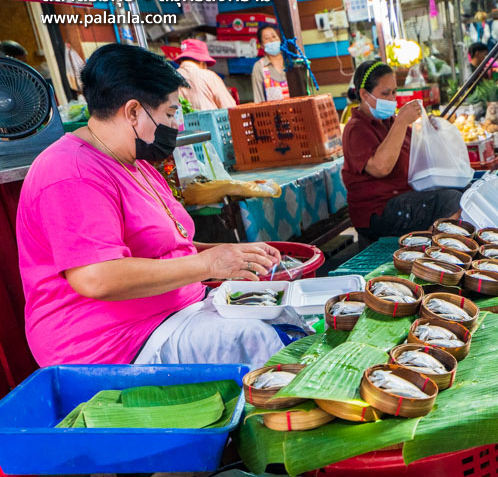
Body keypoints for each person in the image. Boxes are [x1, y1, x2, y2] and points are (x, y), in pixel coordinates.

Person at [16, 44, 294, 367]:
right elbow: (97, 277)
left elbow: (171, 246)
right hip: (114, 344)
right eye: (171, 114)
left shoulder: (135, 163)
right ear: (133, 112)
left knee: (284, 318)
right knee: (257, 338)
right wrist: (209, 266)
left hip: (173, 315)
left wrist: (232, 257)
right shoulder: (69, 172)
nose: (176, 125)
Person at [341, 60, 463, 238]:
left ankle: (434, 247)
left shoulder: (391, 122)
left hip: (405, 198)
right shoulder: (356, 129)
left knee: (464, 190)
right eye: (385, 93)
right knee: (451, 200)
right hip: (378, 212)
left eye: (394, 92)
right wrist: (401, 121)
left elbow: (419, 154)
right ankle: (428, 252)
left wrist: (431, 133)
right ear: (364, 95)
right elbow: (381, 168)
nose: (392, 98)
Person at [174, 39, 235, 111]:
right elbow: (230, 108)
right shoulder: (209, 76)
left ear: (181, 61)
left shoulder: (169, 78)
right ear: (202, 62)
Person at [251, 23, 289, 102]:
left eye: (274, 36)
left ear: (279, 39)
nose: (272, 40)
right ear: (262, 45)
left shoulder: (290, 61)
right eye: (267, 38)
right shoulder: (259, 66)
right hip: (274, 114)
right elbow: (258, 98)